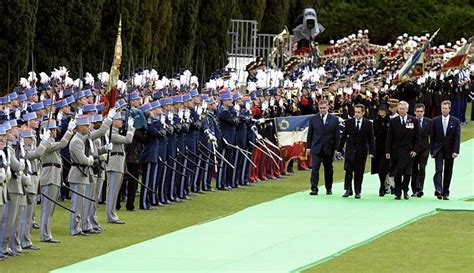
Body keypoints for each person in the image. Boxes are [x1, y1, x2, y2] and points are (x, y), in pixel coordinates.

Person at [337, 104, 374, 198]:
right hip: (350, 150)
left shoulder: (368, 123)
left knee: (359, 172)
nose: (356, 114)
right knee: (348, 170)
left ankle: (358, 191)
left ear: (363, 113)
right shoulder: (349, 122)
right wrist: (339, 149)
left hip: (362, 151)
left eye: (358, 112)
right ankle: (348, 189)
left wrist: (372, 151)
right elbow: (344, 136)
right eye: (355, 112)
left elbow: (371, 139)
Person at [386, 101, 420, 200]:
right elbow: (389, 137)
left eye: (403, 109)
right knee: (397, 173)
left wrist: (415, 150)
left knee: (407, 173)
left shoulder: (413, 121)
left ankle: (405, 191)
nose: (401, 110)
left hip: (409, 152)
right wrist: (388, 151)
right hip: (396, 151)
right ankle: (398, 192)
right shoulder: (393, 121)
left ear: (407, 109)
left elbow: (417, 138)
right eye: (400, 108)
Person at [307, 100, 340, 195]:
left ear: (328, 107)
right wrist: (308, 147)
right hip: (316, 148)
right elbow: (310, 134)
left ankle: (328, 188)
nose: (322, 110)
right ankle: (314, 188)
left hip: (328, 148)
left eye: (324, 108)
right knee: (315, 168)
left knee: (328, 169)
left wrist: (337, 149)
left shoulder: (334, 119)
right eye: (320, 108)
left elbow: (337, 135)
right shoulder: (313, 119)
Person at [430, 100, 460, 200]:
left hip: (450, 150)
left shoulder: (455, 121)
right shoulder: (435, 120)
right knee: (438, 170)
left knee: (448, 171)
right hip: (438, 149)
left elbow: (457, 138)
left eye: (446, 108)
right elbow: (432, 137)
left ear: (449, 109)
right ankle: (438, 189)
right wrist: (432, 151)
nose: (444, 110)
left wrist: (456, 151)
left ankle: (445, 192)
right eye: (442, 108)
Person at [411, 103, 432, 197]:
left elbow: (432, 135)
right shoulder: (410, 121)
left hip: (424, 148)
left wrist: (431, 148)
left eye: (421, 112)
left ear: (424, 112)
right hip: (413, 149)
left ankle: (420, 188)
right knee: (414, 169)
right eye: (418, 112)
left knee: (422, 168)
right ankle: (414, 189)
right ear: (415, 112)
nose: (419, 113)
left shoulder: (429, 122)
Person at [371, 102, 391, 196]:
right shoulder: (375, 121)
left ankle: (383, 186)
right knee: (379, 168)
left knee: (384, 167)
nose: (381, 112)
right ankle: (382, 184)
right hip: (377, 147)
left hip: (387, 147)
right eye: (380, 110)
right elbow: (372, 134)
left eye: (383, 110)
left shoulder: (390, 121)